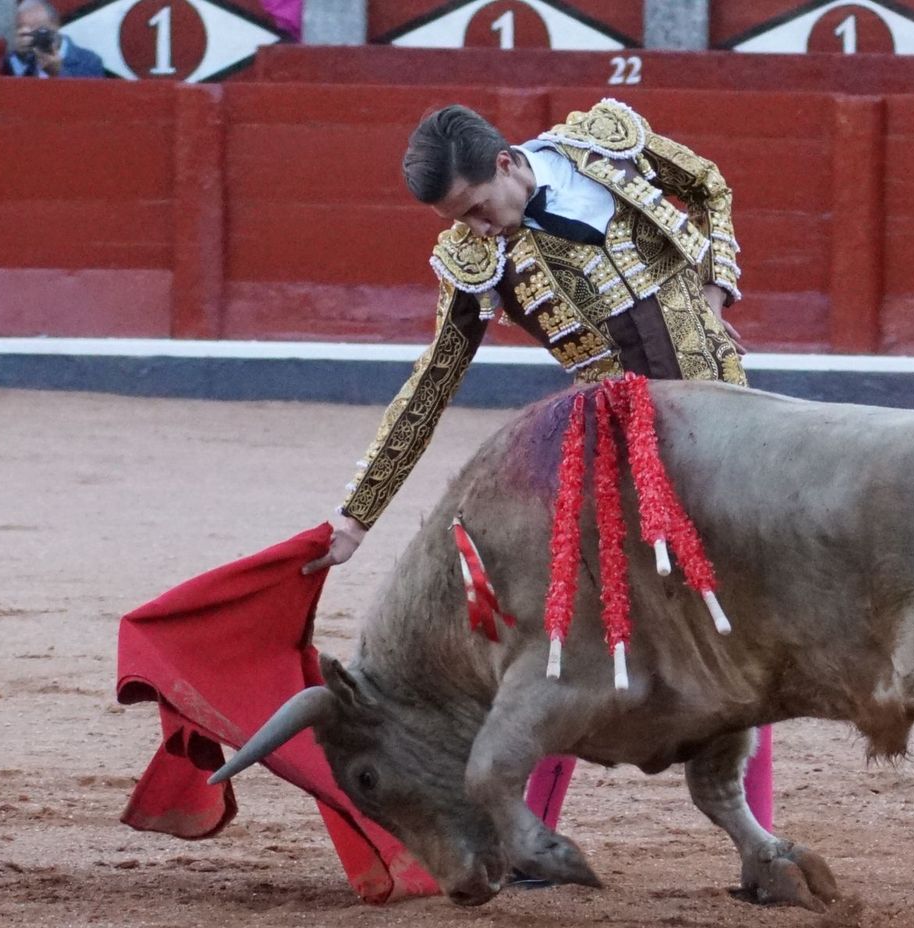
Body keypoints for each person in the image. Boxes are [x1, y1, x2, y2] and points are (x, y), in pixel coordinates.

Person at [310, 99, 772, 840]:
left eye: (476, 207)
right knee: (569, 628)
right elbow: (433, 381)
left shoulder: (603, 146)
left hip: (734, 425)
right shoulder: (477, 261)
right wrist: (356, 516)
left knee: (742, 615)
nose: (475, 228)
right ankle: (532, 833)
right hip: (628, 452)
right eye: (457, 219)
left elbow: (710, 184)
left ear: (506, 164)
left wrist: (717, 286)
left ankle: (761, 826)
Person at [3, 0, 104, 78]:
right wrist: (21, 59)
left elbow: (87, 99)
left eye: (37, 28)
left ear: (55, 25)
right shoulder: (10, 61)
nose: (31, 34)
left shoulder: (88, 61)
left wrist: (57, 73)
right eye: (22, 27)